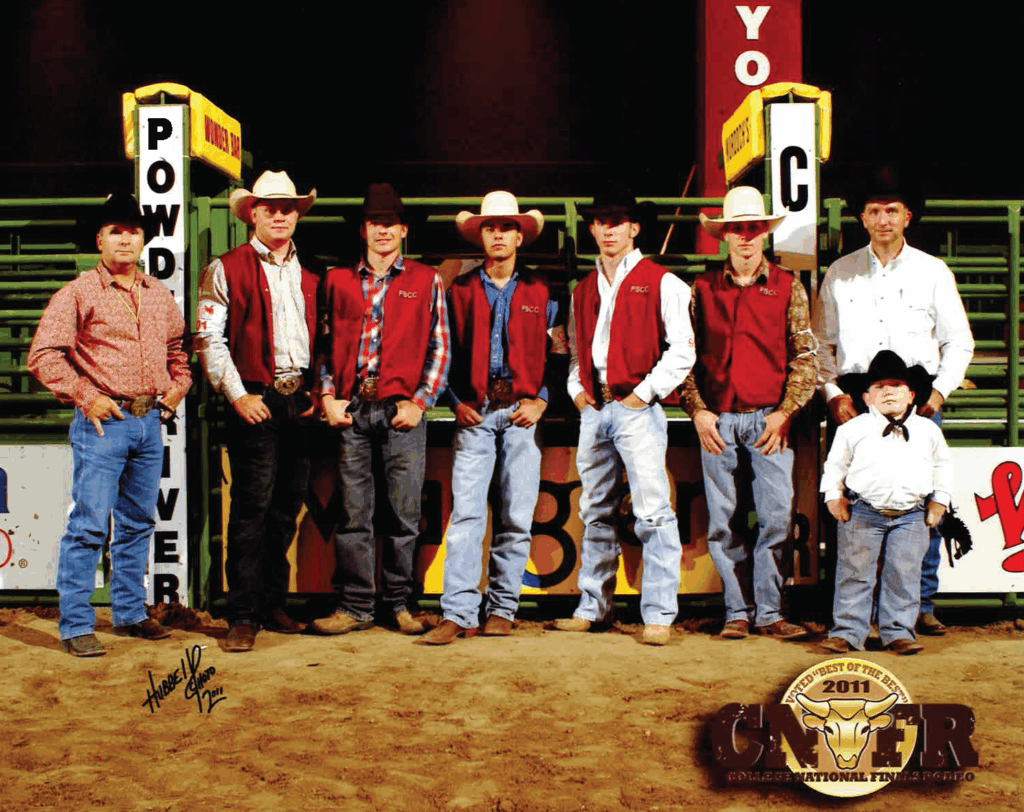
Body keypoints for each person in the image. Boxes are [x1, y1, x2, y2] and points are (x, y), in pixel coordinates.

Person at [28, 193, 191, 657]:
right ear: (100, 239)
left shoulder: (158, 295)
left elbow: (179, 352)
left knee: (138, 522)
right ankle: (76, 624)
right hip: (103, 423)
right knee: (89, 526)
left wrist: (176, 389)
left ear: (143, 240)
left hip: (146, 422)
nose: (125, 238)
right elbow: (42, 355)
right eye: (116, 230)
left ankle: (129, 613)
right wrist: (87, 396)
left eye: (133, 230)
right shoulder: (78, 293)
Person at [813, 168, 974, 636]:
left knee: (920, 503)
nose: (884, 220)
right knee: (854, 504)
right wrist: (834, 394)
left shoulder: (931, 271)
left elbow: (958, 341)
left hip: (917, 401)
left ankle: (919, 603)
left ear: (907, 217)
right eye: (875, 211)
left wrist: (937, 393)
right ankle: (855, 615)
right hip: (859, 402)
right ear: (862, 218)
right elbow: (820, 342)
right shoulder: (841, 273)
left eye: (892, 211)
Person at [552, 184, 695, 646]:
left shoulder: (664, 282)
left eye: (617, 222)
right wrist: (578, 392)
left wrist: (644, 393)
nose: (608, 230)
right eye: (601, 222)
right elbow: (576, 352)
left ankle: (658, 613)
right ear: (592, 228)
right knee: (594, 510)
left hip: (636, 409)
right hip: (596, 407)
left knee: (652, 510)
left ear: (633, 229)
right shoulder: (583, 290)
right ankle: (593, 607)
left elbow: (683, 350)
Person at [312, 183, 450, 636]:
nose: (383, 232)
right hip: (353, 409)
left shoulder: (425, 280)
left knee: (404, 513)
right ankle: (354, 606)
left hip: (400, 412)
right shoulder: (337, 280)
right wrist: (328, 397)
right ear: (364, 229)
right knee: (354, 514)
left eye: (391, 224)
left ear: (403, 229)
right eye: (376, 224)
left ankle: (400, 604)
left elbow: (439, 348)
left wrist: (420, 401)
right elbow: (325, 345)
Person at [680, 186, 816, 641]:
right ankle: (738, 611)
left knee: (777, 517)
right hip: (717, 419)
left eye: (753, 229)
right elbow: (685, 356)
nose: (745, 238)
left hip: (767, 420)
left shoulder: (787, 287)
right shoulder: (702, 289)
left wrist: (784, 414)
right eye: (737, 229)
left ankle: (770, 612)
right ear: (724, 237)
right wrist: (698, 412)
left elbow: (805, 356)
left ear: (764, 235)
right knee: (724, 522)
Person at [422, 192, 557, 645]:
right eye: (490, 227)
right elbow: (440, 349)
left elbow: (560, 354)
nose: (498, 235)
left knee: (517, 515)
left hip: (521, 412)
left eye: (506, 227)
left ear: (519, 236)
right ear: (480, 236)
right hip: (475, 412)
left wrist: (541, 399)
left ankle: (502, 607)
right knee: (466, 515)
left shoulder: (542, 290)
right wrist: (454, 398)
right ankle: (458, 611)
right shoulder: (459, 290)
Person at [194, 170, 318, 652]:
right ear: (253, 213)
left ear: (297, 215)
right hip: (257, 397)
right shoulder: (225, 268)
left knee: (287, 507)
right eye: (270, 207)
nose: (280, 214)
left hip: (298, 400)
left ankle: (271, 601)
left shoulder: (310, 274)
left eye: (288, 207)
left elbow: (318, 337)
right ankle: (242, 613)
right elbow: (208, 337)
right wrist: (238, 394)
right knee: (251, 508)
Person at [820, 350, 953, 655]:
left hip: (912, 515)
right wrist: (832, 496)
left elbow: (943, 465)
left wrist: (939, 500)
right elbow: (835, 465)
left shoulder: (928, 430)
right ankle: (848, 631)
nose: (888, 391)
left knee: (903, 574)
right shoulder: (852, 430)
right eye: (879, 387)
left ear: (911, 395)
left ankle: (898, 632)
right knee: (854, 573)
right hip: (862, 511)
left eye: (896, 385)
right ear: (866, 398)